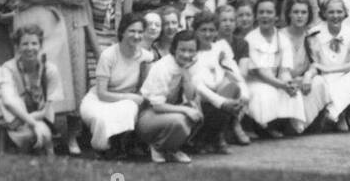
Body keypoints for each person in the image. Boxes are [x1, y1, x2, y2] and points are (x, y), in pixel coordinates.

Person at [10, 0, 90, 155]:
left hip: (54, 23)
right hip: (29, 22)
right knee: (31, 75)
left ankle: (55, 136)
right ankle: (30, 134)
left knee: (54, 78)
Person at [79, 11, 153, 155]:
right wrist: (129, 97)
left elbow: (144, 89)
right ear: (122, 32)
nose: (136, 36)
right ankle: (103, 147)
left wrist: (133, 98)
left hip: (126, 102)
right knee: (101, 118)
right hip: (101, 99)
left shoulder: (146, 57)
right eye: (132, 31)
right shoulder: (108, 55)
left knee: (129, 108)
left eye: (140, 32)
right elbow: (102, 94)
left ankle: (119, 145)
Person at [305, 0, 350, 132]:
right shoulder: (315, 34)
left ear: (345, 13)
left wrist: (331, 69)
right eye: (331, 12)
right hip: (323, 79)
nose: (336, 16)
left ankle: (332, 113)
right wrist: (318, 72)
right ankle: (338, 113)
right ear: (324, 13)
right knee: (328, 82)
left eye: (339, 12)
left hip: (343, 76)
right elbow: (315, 65)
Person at [241, 0, 306, 137]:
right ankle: (261, 127)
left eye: (269, 12)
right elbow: (259, 73)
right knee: (265, 93)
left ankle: (282, 125)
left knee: (294, 93)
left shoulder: (283, 39)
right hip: (255, 81)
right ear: (256, 16)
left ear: (276, 16)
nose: (265, 16)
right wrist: (282, 85)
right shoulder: (250, 39)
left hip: (276, 80)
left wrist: (288, 84)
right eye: (261, 12)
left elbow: (284, 70)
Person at [136, 29, 202, 163]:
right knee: (180, 120)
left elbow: (190, 97)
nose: (186, 54)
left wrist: (186, 71)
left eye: (191, 51)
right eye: (182, 50)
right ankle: (157, 147)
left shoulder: (187, 65)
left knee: (197, 113)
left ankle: (172, 149)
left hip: (165, 112)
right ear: (174, 49)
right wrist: (185, 109)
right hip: (147, 116)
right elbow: (157, 106)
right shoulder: (163, 67)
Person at [189, 10, 249, 153]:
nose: (208, 34)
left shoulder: (220, 47)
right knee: (216, 99)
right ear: (195, 31)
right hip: (200, 97)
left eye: (212, 30)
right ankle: (202, 138)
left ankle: (217, 136)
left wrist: (245, 94)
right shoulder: (192, 52)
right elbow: (198, 85)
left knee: (233, 87)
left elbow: (234, 72)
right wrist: (221, 100)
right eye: (203, 30)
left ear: (217, 31)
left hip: (220, 92)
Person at [0, 23, 62, 155]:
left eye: (34, 43)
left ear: (41, 45)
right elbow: (8, 102)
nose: (30, 48)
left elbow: (46, 109)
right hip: (14, 115)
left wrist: (31, 122)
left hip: (38, 116)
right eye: (25, 44)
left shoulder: (50, 70)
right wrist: (33, 123)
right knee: (28, 135)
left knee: (44, 135)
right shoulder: (8, 68)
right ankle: (7, 145)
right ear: (17, 47)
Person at [279, 0, 326, 132]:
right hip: (283, 78)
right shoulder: (280, 36)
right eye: (296, 12)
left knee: (318, 82)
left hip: (302, 78)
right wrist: (288, 80)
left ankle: (304, 123)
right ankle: (292, 123)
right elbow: (280, 68)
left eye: (303, 12)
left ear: (309, 15)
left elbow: (316, 64)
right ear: (289, 14)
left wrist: (307, 76)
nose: (300, 16)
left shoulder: (311, 36)